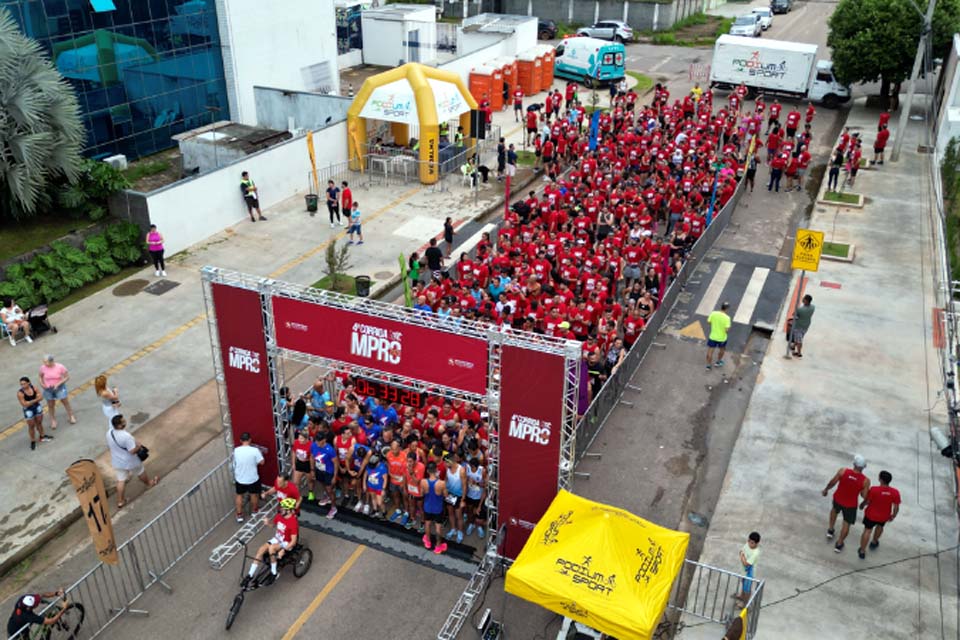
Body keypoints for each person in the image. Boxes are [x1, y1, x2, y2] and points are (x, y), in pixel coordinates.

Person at [106, 414, 158, 508]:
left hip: (117, 461)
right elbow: (132, 451)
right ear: (119, 425)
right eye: (123, 421)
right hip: (130, 461)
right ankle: (149, 483)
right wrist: (138, 446)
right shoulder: (126, 436)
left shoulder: (109, 433)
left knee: (121, 480)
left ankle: (120, 501)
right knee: (140, 471)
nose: (125, 421)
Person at [822, 454, 870, 553]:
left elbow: (833, 482)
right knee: (846, 524)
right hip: (851, 505)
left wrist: (826, 489)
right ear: (863, 467)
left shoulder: (843, 471)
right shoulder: (865, 481)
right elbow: (864, 495)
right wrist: (863, 504)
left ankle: (830, 530)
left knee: (834, 511)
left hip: (838, 499)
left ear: (854, 464)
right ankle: (839, 544)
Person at [245, 497, 298, 585]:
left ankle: (274, 572)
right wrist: (268, 523)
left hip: (286, 542)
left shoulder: (293, 522)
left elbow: (293, 541)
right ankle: (250, 574)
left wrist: (283, 550)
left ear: (289, 511)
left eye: (283, 508)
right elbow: (273, 525)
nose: (280, 509)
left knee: (272, 549)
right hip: (277, 538)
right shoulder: (279, 516)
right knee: (261, 549)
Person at [857, 470, 900, 559]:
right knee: (880, 527)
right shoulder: (895, 492)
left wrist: (862, 505)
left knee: (867, 531)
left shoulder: (874, 489)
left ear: (880, 479)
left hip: (870, 515)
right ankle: (874, 542)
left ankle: (862, 550)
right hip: (884, 516)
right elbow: (896, 506)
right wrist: (893, 515)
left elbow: (867, 501)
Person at [38, 355, 76, 430]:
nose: (44, 363)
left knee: (65, 402)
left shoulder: (60, 367)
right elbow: (40, 376)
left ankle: (71, 416)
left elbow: (67, 377)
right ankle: (53, 420)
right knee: (50, 405)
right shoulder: (42, 368)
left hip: (59, 387)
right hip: (48, 388)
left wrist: (58, 384)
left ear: (51, 361)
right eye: (44, 362)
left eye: (46, 362)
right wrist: (42, 384)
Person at [233, 431, 264, 522]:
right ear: (250, 440)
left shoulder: (236, 450)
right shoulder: (254, 450)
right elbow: (262, 462)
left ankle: (239, 515)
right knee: (254, 495)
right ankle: (254, 510)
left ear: (240, 440)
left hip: (240, 478)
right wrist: (254, 462)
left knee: (239, 495)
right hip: (252, 478)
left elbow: (235, 462)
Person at [420, 461, 448, 554]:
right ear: (436, 470)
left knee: (427, 524)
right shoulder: (442, 483)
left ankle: (428, 541)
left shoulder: (423, 481)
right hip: (437, 508)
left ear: (427, 471)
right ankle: (438, 546)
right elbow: (446, 495)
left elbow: (421, 494)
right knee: (438, 527)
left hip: (427, 506)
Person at [18, 377, 50, 451]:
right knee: (31, 426)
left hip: (36, 407)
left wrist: (30, 402)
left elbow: (41, 397)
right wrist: (36, 400)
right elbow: (24, 404)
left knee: (39, 422)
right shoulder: (20, 393)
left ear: (29, 383)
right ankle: (33, 441)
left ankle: (42, 436)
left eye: (24, 384)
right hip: (28, 410)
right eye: (21, 384)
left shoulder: (34, 388)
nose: (22, 386)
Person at [311, 432, 339, 518]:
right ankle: (327, 497)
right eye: (317, 441)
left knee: (330, 489)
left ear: (324, 440)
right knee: (323, 484)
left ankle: (333, 507)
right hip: (319, 470)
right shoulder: (314, 445)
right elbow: (312, 457)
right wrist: (312, 469)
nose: (317, 443)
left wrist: (334, 476)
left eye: (319, 441)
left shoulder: (330, 450)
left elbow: (336, 463)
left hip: (328, 472)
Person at [443, 451, 467, 543]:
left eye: (446, 462)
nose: (445, 464)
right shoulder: (448, 468)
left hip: (458, 496)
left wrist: (463, 500)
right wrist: (444, 489)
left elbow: (465, 486)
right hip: (449, 494)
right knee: (451, 513)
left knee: (459, 516)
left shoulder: (461, 470)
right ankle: (453, 529)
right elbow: (446, 479)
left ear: (451, 462)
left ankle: (460, 532)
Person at [735, 531, 761, 602]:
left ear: (756, 543)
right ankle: (741, 596)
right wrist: (742, 555)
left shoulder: (755, 553)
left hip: (750, 573)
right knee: (743, 583)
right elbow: (741, 551)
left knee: (747, 588)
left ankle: (745, 603)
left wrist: (742, 556)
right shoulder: (747, 544)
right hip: (744, 571)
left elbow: (746, 563)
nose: (749, 543)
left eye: (752, 543)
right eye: (749, 541)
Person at [706, 302, 731, 370]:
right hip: (722, 338)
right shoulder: (727, 318)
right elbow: (726, 330)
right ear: (727, 309)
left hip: (713, 337)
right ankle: (718, 362)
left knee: (710, 351)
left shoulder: (713, 313)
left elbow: (708, 321)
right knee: (722, 350)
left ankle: (708, 365)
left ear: (721, 306)